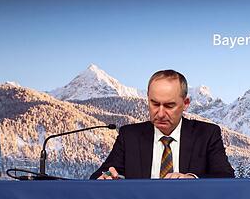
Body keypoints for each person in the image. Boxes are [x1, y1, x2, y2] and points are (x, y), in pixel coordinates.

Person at [91, 69, 234, 179]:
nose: (159, 113)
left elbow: (226, 177)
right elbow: (99, 176)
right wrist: (105, 177)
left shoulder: (207, 134)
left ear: (185, 104)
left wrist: (192, 179)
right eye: (154, 104)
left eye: (169, 106)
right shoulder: (129, 136)